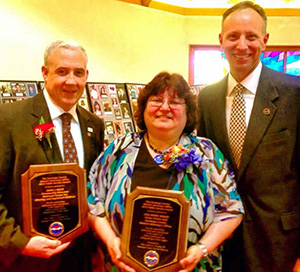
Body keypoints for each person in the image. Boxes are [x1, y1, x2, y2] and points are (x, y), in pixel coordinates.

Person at [88, 71, 244, 272]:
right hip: (125, 268)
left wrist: (201, 249)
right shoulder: (120, 148)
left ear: (188, 112)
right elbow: (92, 199)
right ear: (143, 108)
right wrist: (110, 240)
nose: (164, 107)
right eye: (156, 100)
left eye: (175, 102)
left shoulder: (207, 152)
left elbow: (232, 210)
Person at [197, 2, 300, 272]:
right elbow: (205, 169)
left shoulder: (294, 94)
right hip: (223, 237)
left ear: (265, 41)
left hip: (280, 241)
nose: (241, 45)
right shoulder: (207, 98)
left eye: (251, 36)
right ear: (221, 41)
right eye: (233, 36)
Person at [0, 40, 105, 272]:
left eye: (78, 73)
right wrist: (20, 243)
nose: (71, 81)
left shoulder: (94, 125)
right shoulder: (8, 120)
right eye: (62, 72)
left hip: (79, 258)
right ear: (44, 73)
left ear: (86, 75)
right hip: (26, 260)